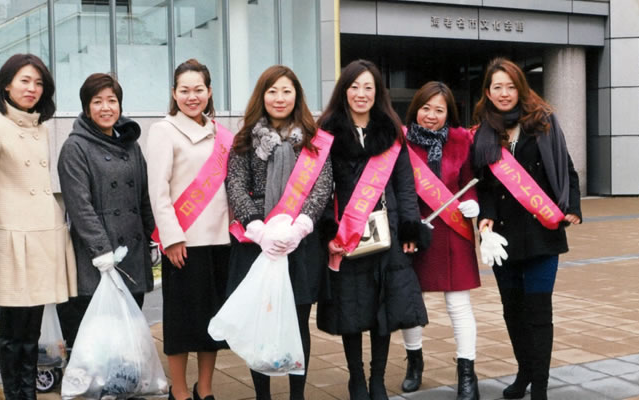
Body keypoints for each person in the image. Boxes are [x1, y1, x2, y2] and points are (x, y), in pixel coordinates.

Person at [316, 59, 428, 400]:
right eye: (354, 87)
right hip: (347, 235)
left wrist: (410, 229)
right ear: (344, 91)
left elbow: (405, 185)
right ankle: (356, 380)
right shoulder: (327, 132)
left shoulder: (391, 132)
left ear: (378, 92)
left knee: (384, 308)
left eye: (368, 87)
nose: (361, 94)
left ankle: (377, 379)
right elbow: (319, 187)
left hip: (387, 233)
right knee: (352, 308)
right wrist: (329, 230)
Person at [471, 57, 581, 400]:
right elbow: (484, 185)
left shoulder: (543, 124)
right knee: (513, 312)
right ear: (488, 92)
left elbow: (567, 169)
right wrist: (485, 216)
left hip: (542, 236)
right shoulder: (483, 132)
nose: (504, 93)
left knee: (538, 312)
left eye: (510, 86)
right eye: (497, 87)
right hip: (503, 239)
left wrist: (572, 207)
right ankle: (525, 373)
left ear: (521, 88)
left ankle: (540, 387)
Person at [0, 53, 77, 399]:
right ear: (6, 84)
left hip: (43, 238)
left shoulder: (40, 128)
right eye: (24, 81)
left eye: (38, 83)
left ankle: (27, 394)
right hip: (11, 242)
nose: (32, 88)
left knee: (32, 332)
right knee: (12, 333)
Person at [225, 65, 333, 400]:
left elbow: (322, 187)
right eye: (272, 91)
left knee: (298, 322)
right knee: (262, 324)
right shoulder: (244, 140)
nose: (280, 98)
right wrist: (258, 229)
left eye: (287, 91)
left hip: (300, 245)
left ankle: (297, 394)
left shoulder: (314, 140)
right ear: (262, 96)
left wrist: (300, 228)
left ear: (297, 96)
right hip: (257, 245)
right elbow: (236, 185)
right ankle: (263, 396)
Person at [147, 59, 230, 400]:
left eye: (199, 90)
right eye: (185, 90)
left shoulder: (221, 134)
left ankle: (204, 389)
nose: (192, 97)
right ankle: (179, 391)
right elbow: (158, 190)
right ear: (174, 93)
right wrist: (171, 238)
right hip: (183, 244)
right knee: (181, 324)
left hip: (220, 242)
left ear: (209, 92)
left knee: (213, 323)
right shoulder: (163, 131)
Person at [57, 73, 155, 349]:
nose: (106, 108)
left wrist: (152, 238)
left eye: (112, 101)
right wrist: (101, 250)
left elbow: (143, 196)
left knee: (129, 335)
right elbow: (79, 205)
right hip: (96, 257)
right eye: (97, 101)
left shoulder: (130, 144)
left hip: (131, 253)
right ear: (86, 107)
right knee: (95, 340)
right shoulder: (75, 147)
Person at [400, 81, 480, 400]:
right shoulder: (400, 141)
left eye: (439, 110)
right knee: (410, 301)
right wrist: (407, 222)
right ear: (415, 109)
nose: (431, 115)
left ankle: (467, 373)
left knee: (459, 305)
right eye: (425, 108)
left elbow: (469, 182)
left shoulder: (462, 141)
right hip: (413, 231)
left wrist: (472, 203)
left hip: (453, 231)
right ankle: (414, 362)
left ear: (449, 114)